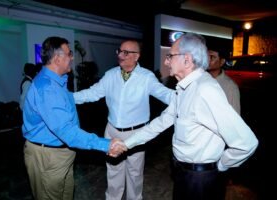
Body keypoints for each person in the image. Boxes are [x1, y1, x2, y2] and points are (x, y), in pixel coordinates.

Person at [124, 33, 258, 200]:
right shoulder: (184, 88)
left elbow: (246, 143)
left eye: (170, 56)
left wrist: (220, 165)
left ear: (187, 60)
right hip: (183, 173)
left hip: (201, 180)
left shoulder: (205, 90)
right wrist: (127, 143)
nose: (166, 61)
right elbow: (162, 121)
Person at [22, 36, 126, 200]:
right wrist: (106, 144)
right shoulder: (48, 88)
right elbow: (67, 131)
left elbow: (70, 101)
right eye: (69, 54)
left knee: (66, 193)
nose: (72, 57)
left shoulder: (57, 82)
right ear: (57, 58)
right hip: (48, 157)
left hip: (60, 154)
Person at [73, 40, 175, 200]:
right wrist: (67, 98)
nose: (120, 55)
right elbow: (91, 94)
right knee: (113, 171)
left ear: (137, 56)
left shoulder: (146, 77)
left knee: (134, 174)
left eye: (126, 53)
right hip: (112, 130)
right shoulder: (111, 74)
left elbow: (165, 94)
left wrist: (186, 98)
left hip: (137, 132)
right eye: (119, 51)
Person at [207, 46, 241, 114]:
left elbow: (235, 116)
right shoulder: (201, 79)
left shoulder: (230, 87)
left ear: (222, 62)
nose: (207, 60)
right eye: (206, 56)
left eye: (212, 57)